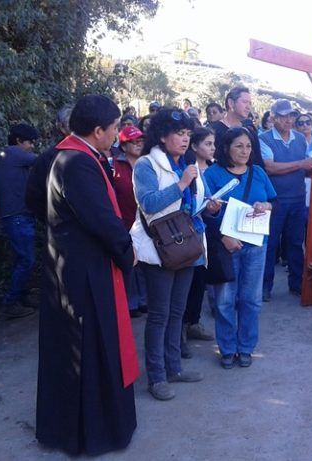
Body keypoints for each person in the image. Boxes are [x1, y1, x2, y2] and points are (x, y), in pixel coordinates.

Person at [36, 95, 139, 456]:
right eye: (113, 129)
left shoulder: (69, 155)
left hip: (75, 263)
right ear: (97, 131)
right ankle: (93, 433)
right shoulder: (77, 163)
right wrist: (128, 251)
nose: (116, 135)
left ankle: (79, 428)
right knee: (91, 349)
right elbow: (102, 220)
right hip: (83, 271)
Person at [130, 108, 220, 401]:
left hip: (188, 244)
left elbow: (189, 204)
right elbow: (149, 203)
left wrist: (207, 205)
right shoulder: (146, 164)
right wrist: (181, 184)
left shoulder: (187, 162)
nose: (184, 140)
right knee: (159, 315)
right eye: (178, 134)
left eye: (186, 135)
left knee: (177, 312)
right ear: (162, 135)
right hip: (161, 249)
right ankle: (156, 377)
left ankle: (174, 368)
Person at [204, 127, 276, 368]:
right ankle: (227, 348)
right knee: (224, 301)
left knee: (251, 300)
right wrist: (220, 231)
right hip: (226, 245)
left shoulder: (257, 172)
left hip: (256, 245)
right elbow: (203, 212)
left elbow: (271, 202)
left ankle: (246, 347)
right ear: (226, 148)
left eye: (248, 146)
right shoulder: (213, 174)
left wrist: (265, 206)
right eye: (239, 146)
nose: (245, 151)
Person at [259, 99, 312, 300]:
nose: (288, 120)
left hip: (297, 198)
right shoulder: (264, 139)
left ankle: (296, 283)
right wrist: (302, 164)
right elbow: (270, 167)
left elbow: (307, 166)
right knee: (270, 244)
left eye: (291, 116)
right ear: (273, 117)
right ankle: (264, 287)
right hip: (275, 200)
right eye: (283, 116)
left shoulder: (300, 138)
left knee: (295, 243)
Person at [0, 123, 39, 317]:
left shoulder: (12, 156)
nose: (32, 146)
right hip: (17, 216)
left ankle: (20, 296)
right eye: (30, 142)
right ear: (19, 141)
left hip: (20, 215)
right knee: (26, 260)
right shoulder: (13, 152)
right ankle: (11, 302)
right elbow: (43, 161)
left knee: (23, 259)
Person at [181, 127, 217, 354]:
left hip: (203, 232)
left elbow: (208, 201)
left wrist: (212, 207)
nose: (212, 148)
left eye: (214, 144)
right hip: (184, 235)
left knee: (199, 282)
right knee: (185, 285)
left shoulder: (211, 169)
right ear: (194, 146)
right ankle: (179, 332)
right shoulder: (185, 169)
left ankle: (193, 323)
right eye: (208, 144)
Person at [113, 126, 148, 318]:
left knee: (145, 261)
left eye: (140, 141)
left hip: (146, 222)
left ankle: (145, 300)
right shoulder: (114, 165)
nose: (138, 144)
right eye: (133, 142)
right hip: (124, 222)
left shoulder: (148, 163)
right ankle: (131, 301)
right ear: (123, 145)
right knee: (129, 263)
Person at [26, 104, 74, 223]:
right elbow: (33, 197)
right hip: (61, 229)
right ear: (62, 128)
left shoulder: (95, 153)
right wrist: (53, 219)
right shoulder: (47, 159)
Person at [209, 86, 252, 153]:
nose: (248, 107)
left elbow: (257, 160)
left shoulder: (250, 131)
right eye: (244, 102)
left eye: (250, 103)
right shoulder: (213, 131)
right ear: (231, 103)